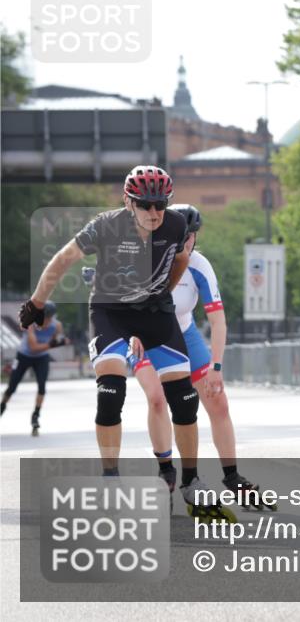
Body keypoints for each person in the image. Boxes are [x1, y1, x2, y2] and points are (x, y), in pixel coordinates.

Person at [18, 165, 231, 521]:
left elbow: (179, 259)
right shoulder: (105, 225)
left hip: (154, 312)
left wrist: (162, 290)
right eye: (145, 205)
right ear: (128, 202)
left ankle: (188, 479)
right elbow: (63, 259)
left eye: (160, 205)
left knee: (184, 400)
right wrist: (37, 302)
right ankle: (110, 479)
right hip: (111, 312)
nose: (154, 213)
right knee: (110, 392)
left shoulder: (176, 226)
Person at [130, 204, 274, 510]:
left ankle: (232, 476)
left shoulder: (198, 264)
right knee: (158, 398)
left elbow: (218, 320)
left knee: (218, 402)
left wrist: (216, 367)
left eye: (191, 236)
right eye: (180, 236)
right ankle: (166, 469)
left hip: (185, 335)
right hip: (146, 337)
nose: (186, 243)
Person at [1, 301, 68, 436]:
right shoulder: (32, 324)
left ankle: (35, 416)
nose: (48, 322)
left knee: (42, 387)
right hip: (24, 356)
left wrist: (56, 342)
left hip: (41, 358)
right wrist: (54, 344)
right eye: (45, 318)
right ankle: (2, 407)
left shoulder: (56, 325)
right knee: (12, 387)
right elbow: (34, 347)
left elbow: (56, 340)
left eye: (50, 318)